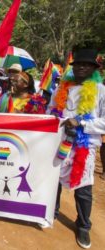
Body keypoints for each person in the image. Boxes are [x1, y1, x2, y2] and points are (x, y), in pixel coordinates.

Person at [48, 48, 104, 249]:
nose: (81, 67)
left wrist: (80, 123)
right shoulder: (61, 88)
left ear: (93, 68)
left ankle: (83, 226)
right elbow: (50, 110)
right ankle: (50, 212)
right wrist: (53, 119)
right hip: (59, 142)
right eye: (78, 64)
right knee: (54, 180)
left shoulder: (100, 90)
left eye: (86, 65)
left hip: (84, 146)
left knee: (83, 188)